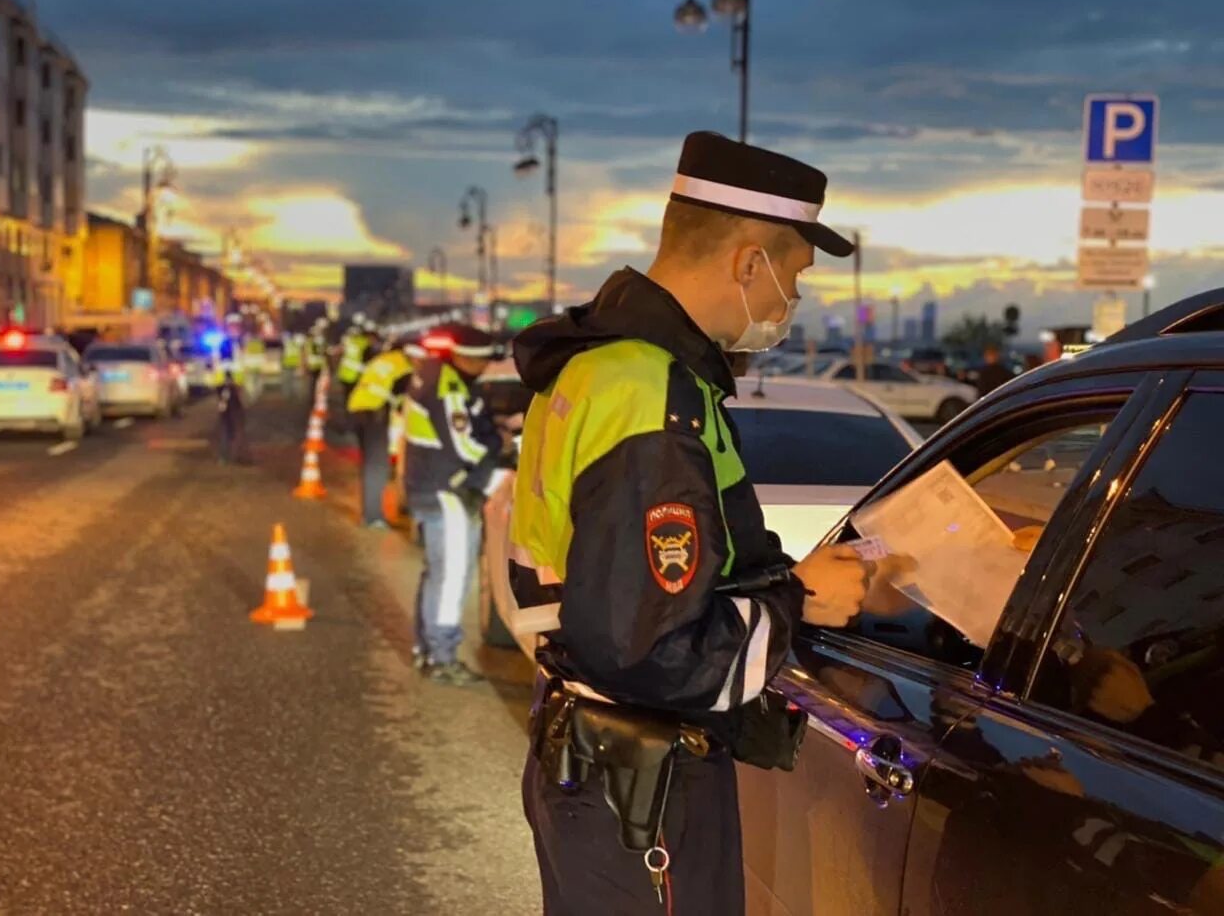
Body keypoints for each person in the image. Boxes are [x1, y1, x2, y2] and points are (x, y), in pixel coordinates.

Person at [509, 131, 885, 915]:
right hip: (640, 780)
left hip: (596, 763)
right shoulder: (652, 392)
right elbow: (654, 649)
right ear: (750, 262)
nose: (794, 298)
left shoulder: (601, 366)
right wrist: (799, 599)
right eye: (796, 273)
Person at [403, 322, 504, 685]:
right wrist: (498, 452)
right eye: (483, 361)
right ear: (465, 357)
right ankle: (443, 657)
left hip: (431, 486)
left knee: (436, 573)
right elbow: (462, 446)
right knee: (451, 579)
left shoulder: (430, 375)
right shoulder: (447, 387)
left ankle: (426, 651)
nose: (486, 368)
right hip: (450, 491)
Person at [347, 335, 422, 529]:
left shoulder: (385, 359)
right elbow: (404, 403)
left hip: (357, 408)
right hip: (375, 413)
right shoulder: (405, 370)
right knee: (377, 466)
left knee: (371, 463)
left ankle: (371, 513)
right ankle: (373, 517)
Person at [211, 337, 250, 464]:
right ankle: (235, 454)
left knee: (226, 425)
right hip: (232, 394)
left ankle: (226, 455)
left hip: (224, 394)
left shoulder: (218, 360)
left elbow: (215, 379)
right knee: (236, 425)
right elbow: (240, 378)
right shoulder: (236, 359)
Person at [281, 330, 303, 399]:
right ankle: (294, 394)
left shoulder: (287, 343)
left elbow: (283, 353)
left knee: (287, 380)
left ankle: (287, 394)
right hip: (294, 363)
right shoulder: (296, 344)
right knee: (294, 380)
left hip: (287, 364)